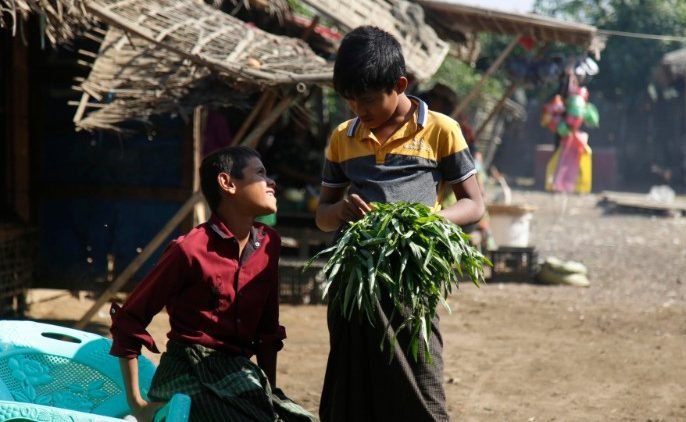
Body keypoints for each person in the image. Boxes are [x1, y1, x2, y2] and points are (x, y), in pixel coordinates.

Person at [315, 26, 485, 421]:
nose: (360, 109)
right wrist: (340, 211)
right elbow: (322, 217)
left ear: (401, 85)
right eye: (351, 101)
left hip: (411, 282)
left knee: (419, 386)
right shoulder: (343, 137)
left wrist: (429, 220)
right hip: (354, 285)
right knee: (351, 393)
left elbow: (474, 204)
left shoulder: (441, 130)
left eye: (369, 100)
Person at [109, 146, 316, 422]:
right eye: (260, 174)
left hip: (239, 375)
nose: (271, 183)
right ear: (227, 183)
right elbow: (129, 320)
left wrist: (270, 394)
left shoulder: (269, 243)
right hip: (187, 372)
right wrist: (137, 405)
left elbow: (267, 331)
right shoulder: (190, 249)